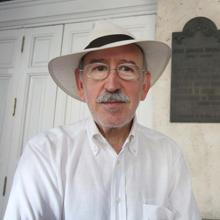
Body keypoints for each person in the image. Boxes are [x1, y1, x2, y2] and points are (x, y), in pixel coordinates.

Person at [4, 21, 201, 220]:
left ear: (145, 85)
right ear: (81, 84)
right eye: (99, 69)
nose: (112, 85)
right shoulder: (46, 152)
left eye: (126, 69)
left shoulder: (169, 155)